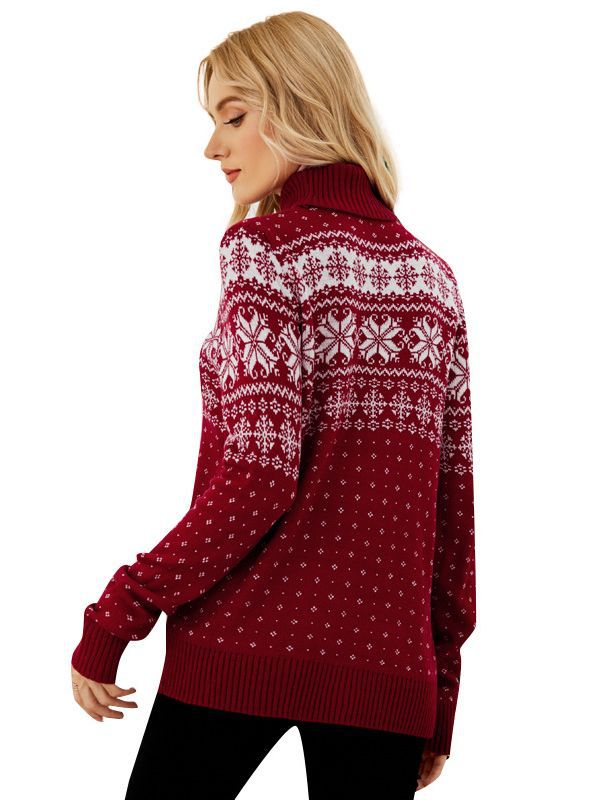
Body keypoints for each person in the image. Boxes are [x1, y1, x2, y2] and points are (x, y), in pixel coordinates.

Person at [71, 11, 477, 798]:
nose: (212, 147)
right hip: (387, 672)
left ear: (299, 105)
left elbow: (258, 478)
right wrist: (439, 693)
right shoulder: (434, 279)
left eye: (233, 116)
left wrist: (122, 608)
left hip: (242, 643)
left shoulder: (265, 252)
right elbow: (450, 511)